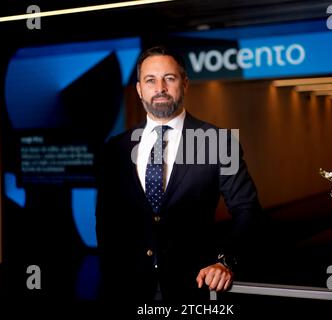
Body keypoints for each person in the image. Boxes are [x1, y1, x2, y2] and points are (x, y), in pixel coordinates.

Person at [95, 46, 262, 303]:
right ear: (139, 89)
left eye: (169, 78)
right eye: (150, 80)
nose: (160, 87)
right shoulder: (115, 148)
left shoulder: (218, 142)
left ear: (184, 84)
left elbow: (247, 210)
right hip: (127, 289)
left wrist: (225, 261)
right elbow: (106, 220)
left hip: (193, 288)